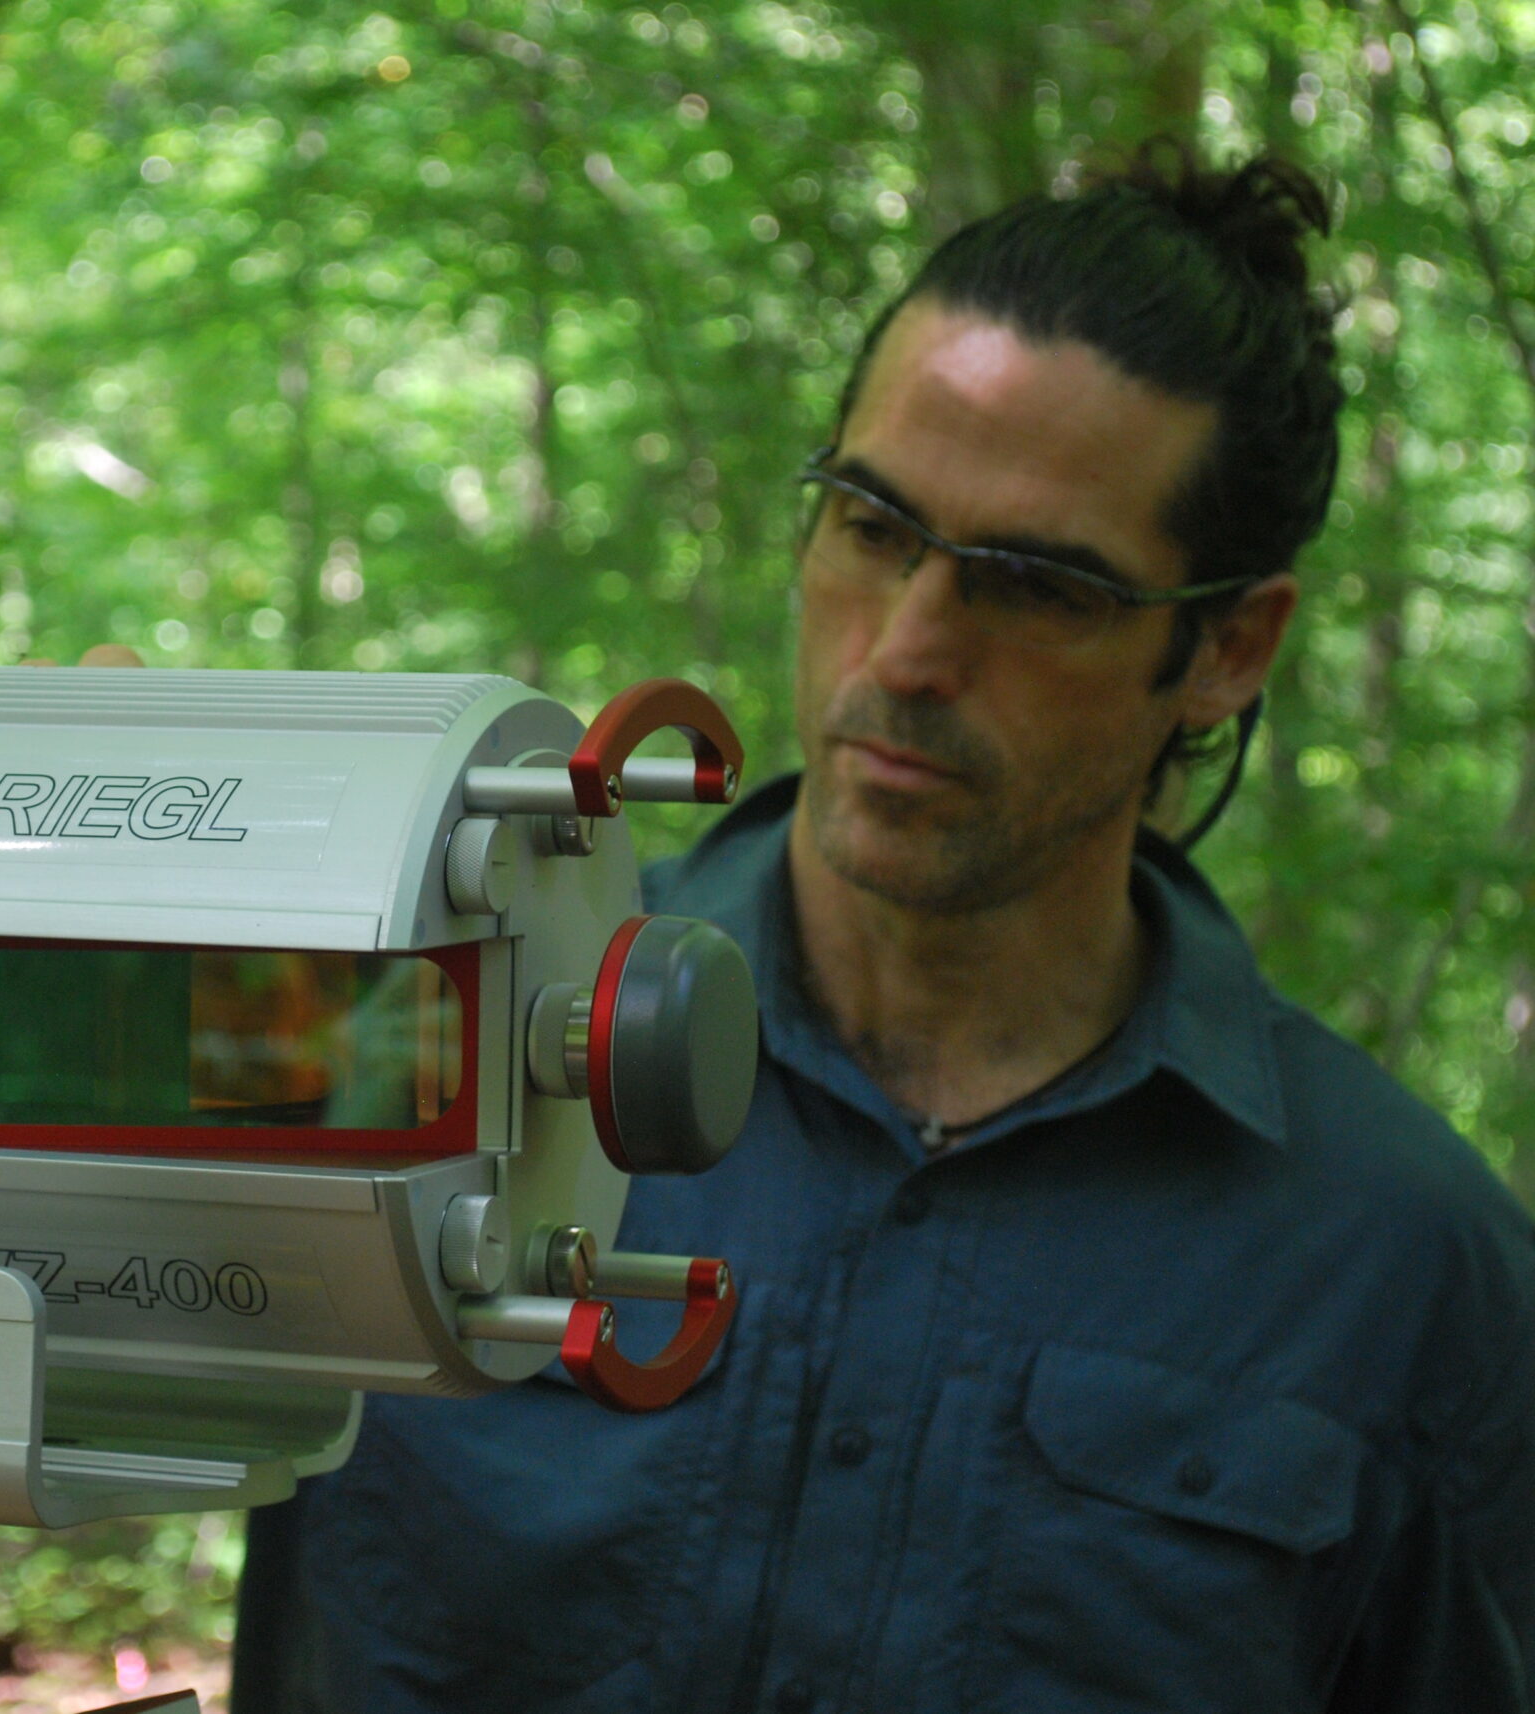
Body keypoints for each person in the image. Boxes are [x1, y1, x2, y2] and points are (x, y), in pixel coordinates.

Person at [231, 146, 1535, 1714]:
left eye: (1038, 583)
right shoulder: (419, 1035)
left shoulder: (1399, 1267)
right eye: (870, 524)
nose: (909, 649)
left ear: (1227, 648)